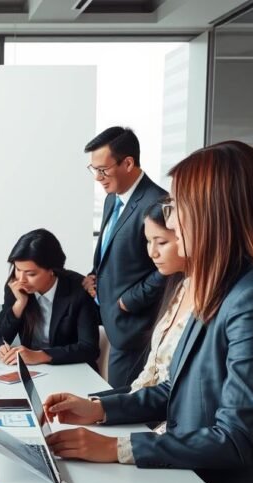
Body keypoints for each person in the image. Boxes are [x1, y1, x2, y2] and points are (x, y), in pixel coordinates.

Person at [41, 141, 253, 483]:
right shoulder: (220, 288)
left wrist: (117, 448)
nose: (170, 218)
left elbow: (237, 438)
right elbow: (177, 389)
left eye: (176, 207)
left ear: (216, 213)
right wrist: (99, 409)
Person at [82, 127, 168, 388]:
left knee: (127, 410)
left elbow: (170, 265)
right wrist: (94, 276)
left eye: (103, 169)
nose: (98, 177)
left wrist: (130, 300)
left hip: (136, 329)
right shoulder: (112, 199)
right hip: (114, 322)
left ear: (128, 163)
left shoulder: (156, 202)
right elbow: (112, 252)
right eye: (93, 169)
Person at [91, 203, 191, 397]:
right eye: (148, 241)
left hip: (162, 414)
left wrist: (130, 299)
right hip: (147, 401)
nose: (152, 252)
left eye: (161, 242)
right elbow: (149, 376)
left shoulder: (206, 299)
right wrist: (98, 404)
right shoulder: (178, 290)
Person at [0, 229, 99, 367]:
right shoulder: (15, 287)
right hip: (34, 371)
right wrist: (20, 304)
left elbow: (89, 349)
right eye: (17, 269)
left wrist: (41, 355)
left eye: (31, 274)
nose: (21, 279)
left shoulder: (78, 288)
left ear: (52, 269)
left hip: (73, 370)